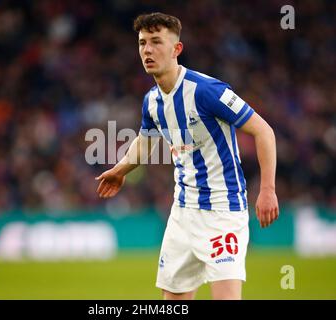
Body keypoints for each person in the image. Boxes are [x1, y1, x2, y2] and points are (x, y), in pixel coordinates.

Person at [95, 12, 279, 300]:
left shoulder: (207, 90)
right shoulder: (152, 101)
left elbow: (264, 131)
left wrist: (267, 189)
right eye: (142, 43)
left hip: (222, 212)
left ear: (176, 49)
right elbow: (145, 144)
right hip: (182, 214)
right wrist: (120, 170)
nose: (147, 50)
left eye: (156, 42)